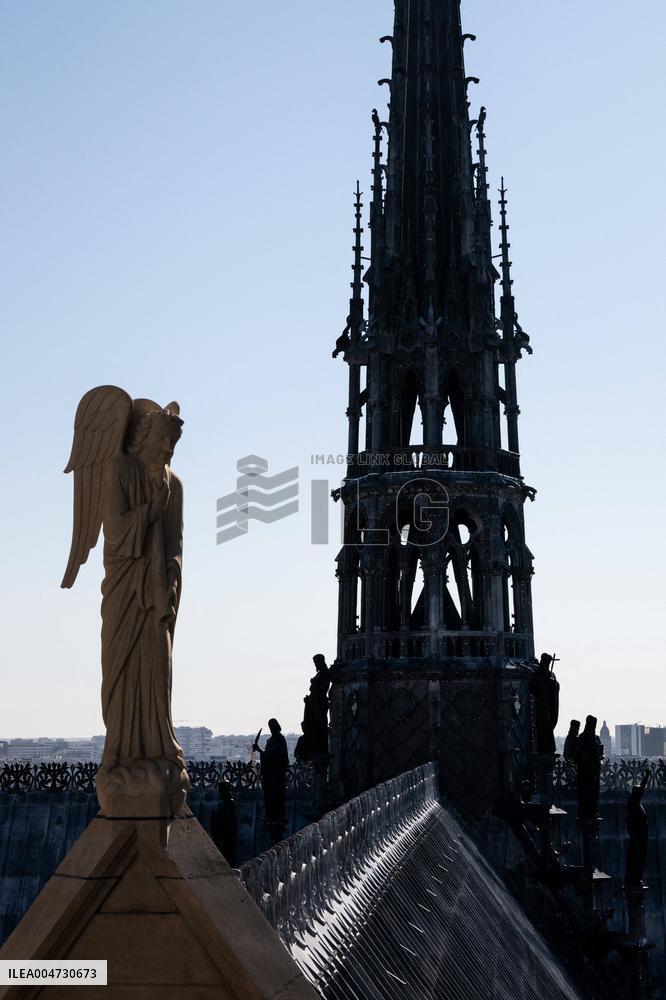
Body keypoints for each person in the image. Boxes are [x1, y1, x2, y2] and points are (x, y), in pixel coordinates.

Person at [253, 718, 289, 840]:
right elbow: (268, 756)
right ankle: (271, 815)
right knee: (270, 798)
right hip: (271, 775)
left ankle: (274, 816)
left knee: (275, 797)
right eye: (270, 726)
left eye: (271, 726)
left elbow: (271, 755)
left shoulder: (279, 739)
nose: (271, 728)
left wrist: (259, 750)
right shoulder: (273, 740)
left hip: (276, 775)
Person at [302, 654, 331, 757]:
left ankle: (320, 748)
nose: (315, 665)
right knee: (313, 725)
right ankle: (315, 746)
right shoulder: (320, 673)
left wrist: (315, 683)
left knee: (319, 725)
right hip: (314, 702)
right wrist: (309, 699)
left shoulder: (325, 673)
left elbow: (323, 687)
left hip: (319, 704)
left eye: (316, 662)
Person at [575, 715, 604, 820]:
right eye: (592, 724)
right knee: (585, 793)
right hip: (585, 771)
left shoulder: (596, 738)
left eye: (595, 725)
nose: (594, 727)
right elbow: (577, 755)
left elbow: (601, 754)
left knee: (594, 793)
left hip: (594, 771)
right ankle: (585, 812)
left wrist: (600, 755)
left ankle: (593, 811)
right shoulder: (582, 738)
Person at [530, 653, 559, 754]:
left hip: (549, 707)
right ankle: (542, 749)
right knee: (542, 728)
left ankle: (548, 749)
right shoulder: (537, 676)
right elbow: (533, 688)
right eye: (546, 663)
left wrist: (553, 684)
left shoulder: (551, 675)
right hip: (541, 707)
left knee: (548, 727)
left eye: (548, 664)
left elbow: (556, 687)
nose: (547, 666)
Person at [625, 771, 649, 887]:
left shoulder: (635, 802)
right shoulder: (633, 804)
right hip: (637, 837)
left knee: (639, 858)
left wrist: (647, 776)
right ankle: (635, 878)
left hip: (640, 836)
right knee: (637, 858)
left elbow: (641, 788)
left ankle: (636, 877)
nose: (641, 793)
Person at [210, 780, 237, 866]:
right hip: (223, 833)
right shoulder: (224, 802)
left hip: (225, 834)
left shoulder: (227, 802)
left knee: (226, 853)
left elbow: (229, 819)